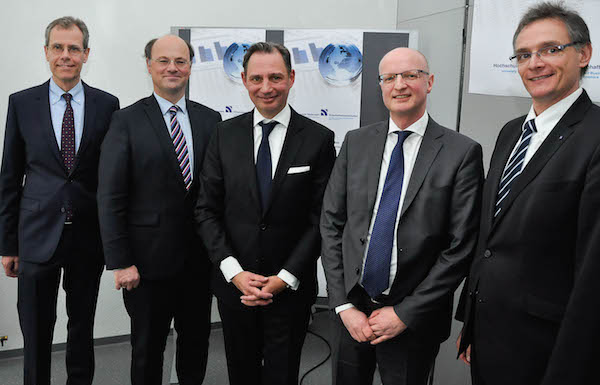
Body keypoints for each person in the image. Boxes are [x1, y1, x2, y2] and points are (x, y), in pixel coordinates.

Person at [320, 47, 484, 385]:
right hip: (353, 309)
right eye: (390, 77)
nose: (400, 85)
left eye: (411, 75)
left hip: (413, 318)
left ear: (430, 82)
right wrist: (342, 306)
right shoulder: (356, 142)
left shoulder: (461, 152)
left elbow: (460, 246)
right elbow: (332, 225)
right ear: (380, 86)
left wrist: (405, 313)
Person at [456, 3, 599, 385]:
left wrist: (572, 364)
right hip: (491, 336)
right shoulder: (510, 132)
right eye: (524, 54)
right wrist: (471, 325)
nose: (535, 63)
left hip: (551, 349)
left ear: (583, 54)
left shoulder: (596, 136)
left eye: (551, 49)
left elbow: (593, 269)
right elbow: (491, 237)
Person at [194, 41, 336, 385]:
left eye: (275, 77)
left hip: (290, 288)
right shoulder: (223, 135)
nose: (266, 87)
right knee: (240, 374)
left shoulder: (318, 139)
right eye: (256, 78)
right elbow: (206, 210)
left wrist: (285, 277)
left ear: (291, 78)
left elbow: (322, 219)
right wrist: (234, 272)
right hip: (235, 287)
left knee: (282, 375)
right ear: (243, 79)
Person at [0, 16, 119, 385]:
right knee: (36, 331)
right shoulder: (21, 103)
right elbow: (9, 177)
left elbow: (110, 178)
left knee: (81, 328)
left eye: (73, 48)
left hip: (87, 237)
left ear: (86, 54)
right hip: (35, 236)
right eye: (58, 47)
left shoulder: (107, 104)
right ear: (46, 52)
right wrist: (7, 244)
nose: (65, 55)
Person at [97, 35, 221, 385]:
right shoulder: (126, 120)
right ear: (149, 65)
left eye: (180, 61)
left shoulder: (211, 120)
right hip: (145, 266)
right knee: (147, 350)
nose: (172, 68)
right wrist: (120, 261)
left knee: (196, 344)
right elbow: (110, 196)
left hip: (199, 263)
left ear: (190, 66)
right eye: (163, 60)